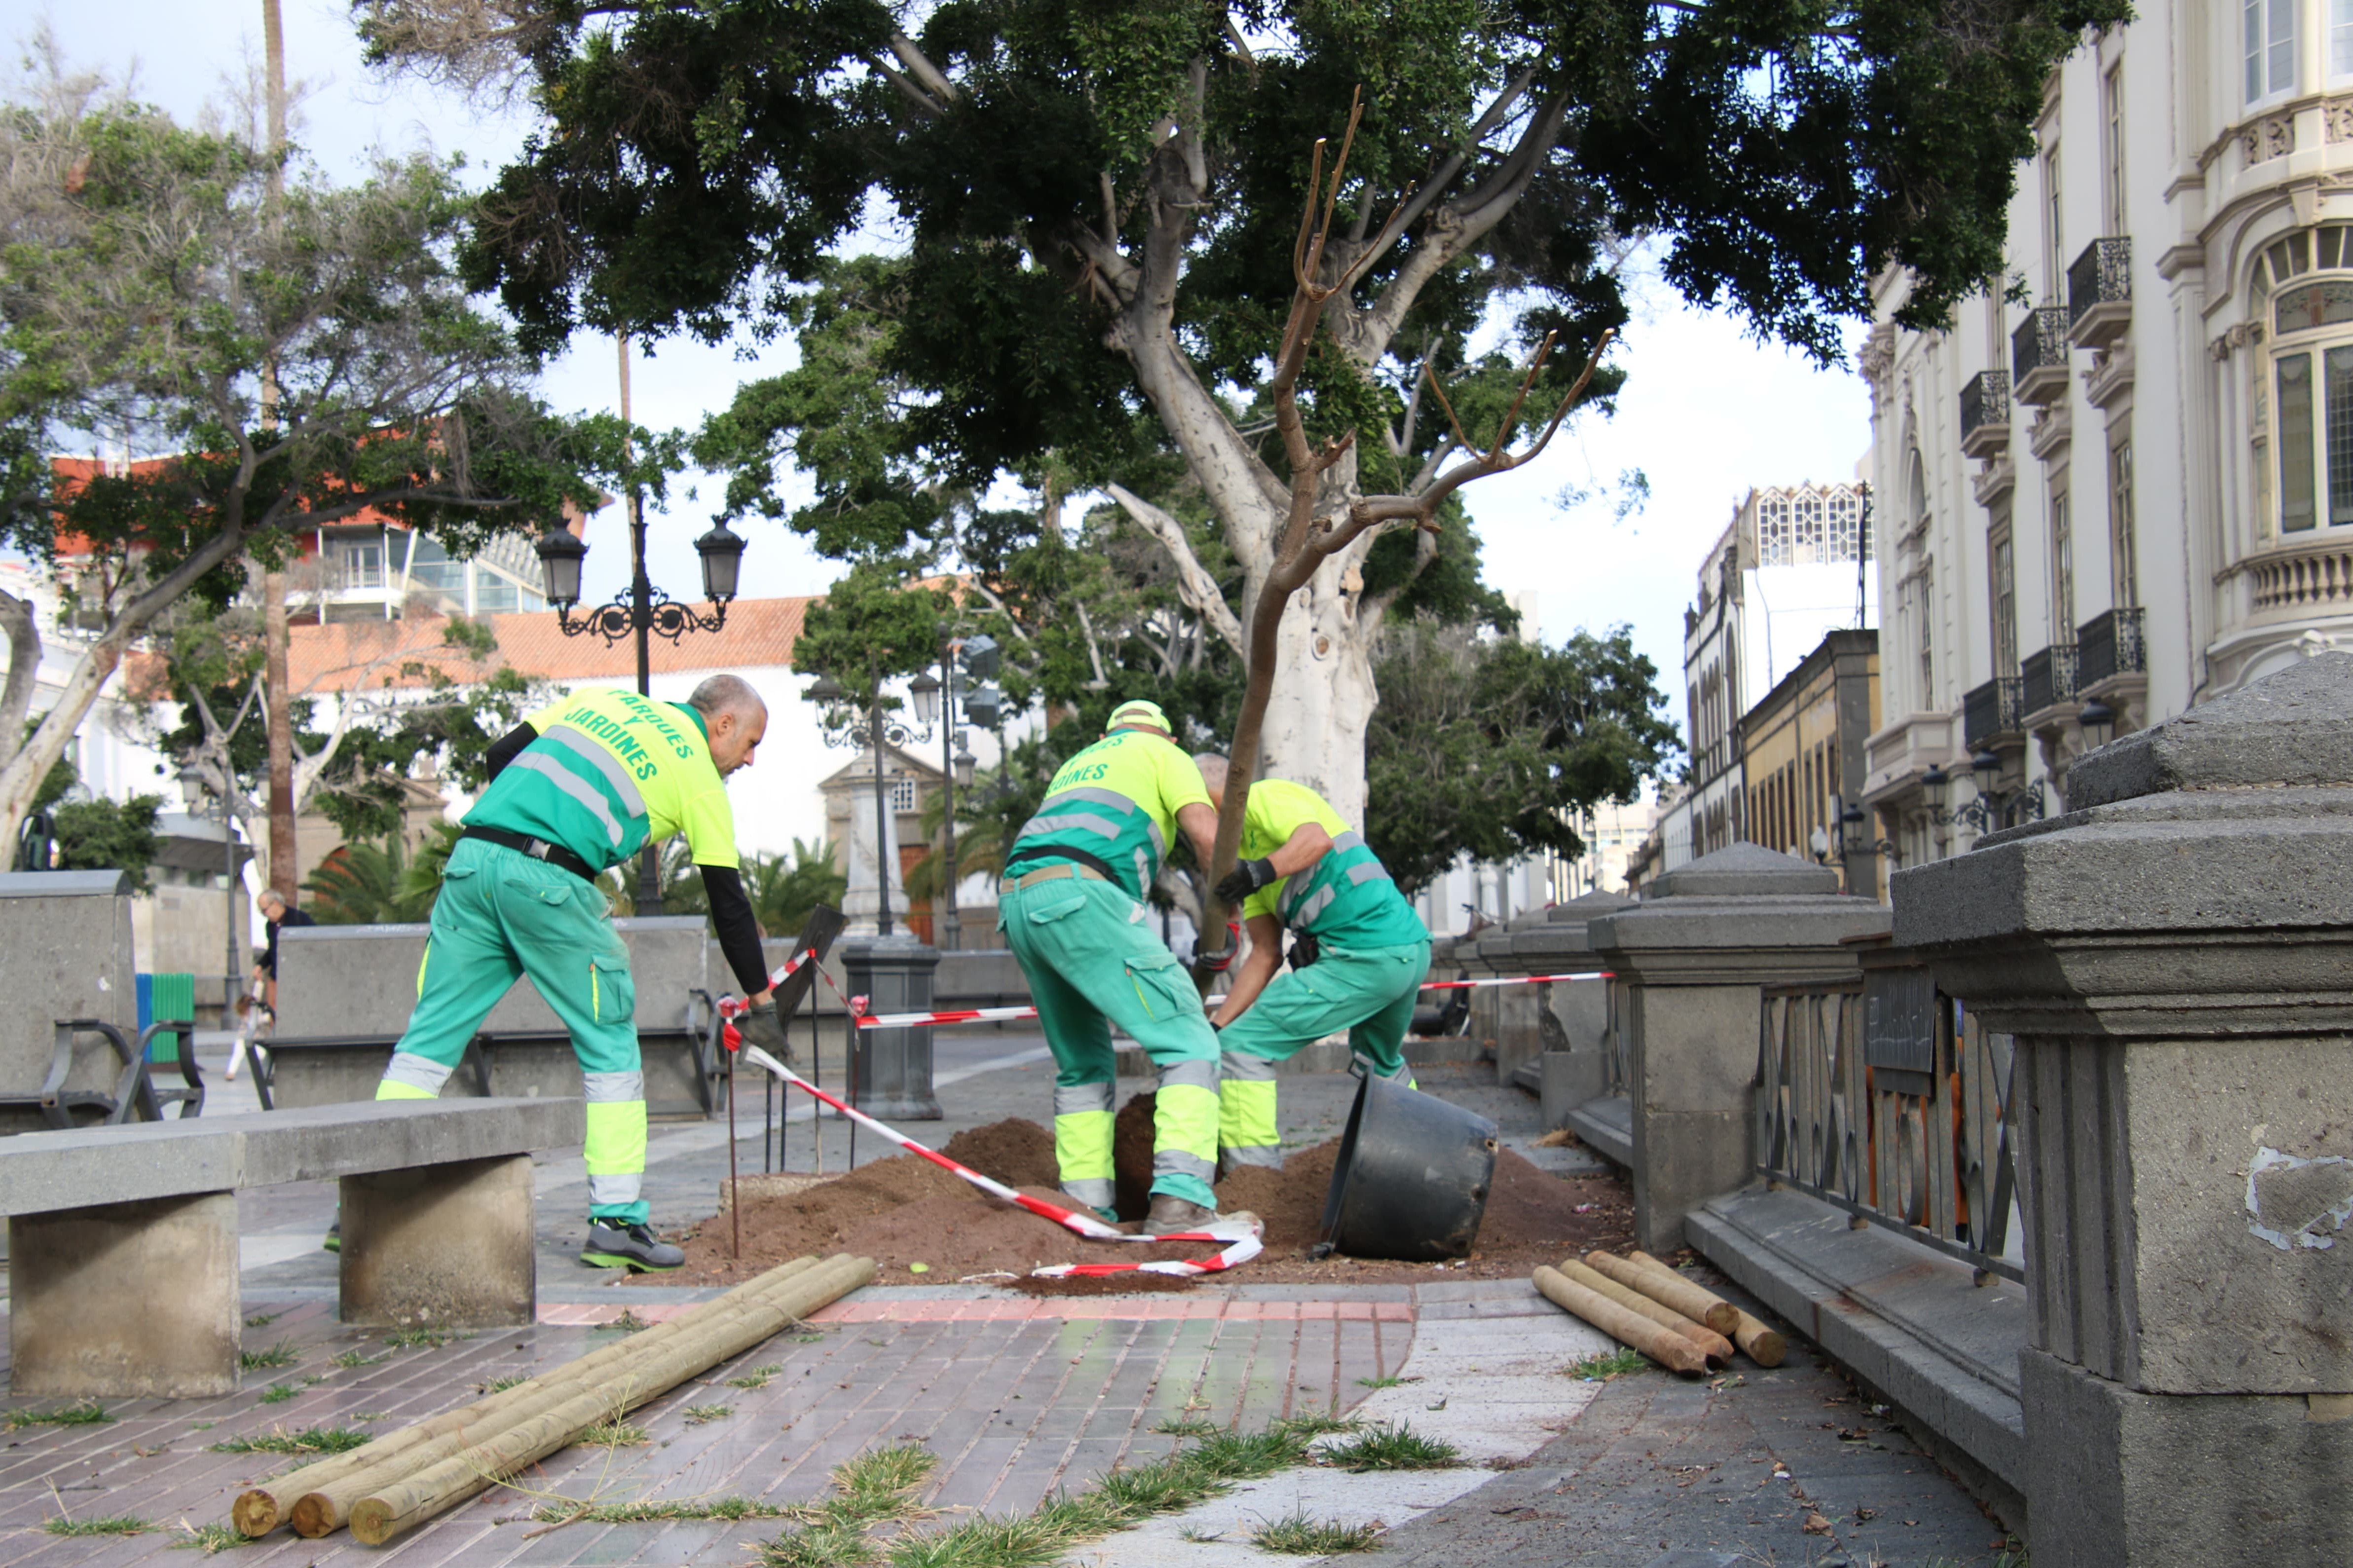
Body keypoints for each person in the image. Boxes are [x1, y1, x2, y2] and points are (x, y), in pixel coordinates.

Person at [369, 674, 795, 1271]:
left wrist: (526, 825)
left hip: (472, 862)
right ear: (722, 724)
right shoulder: (699, 777)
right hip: (549, 882)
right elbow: (728, 902)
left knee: (429, 1037)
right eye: (750, 743)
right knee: (609, 1040)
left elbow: (499, 754)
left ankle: (369, 1204)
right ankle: (616, 1222)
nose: (749, 760)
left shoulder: (604, 700)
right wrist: (761, 1000)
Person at [999, 700, 1243, 1235]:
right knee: (1190, 1042)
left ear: (1105, 736)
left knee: (1082, 1065)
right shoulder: (1163, 754)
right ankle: (1181, 1202)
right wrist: (1232, 919)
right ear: (1170, 738)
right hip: (1081, 896)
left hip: (1019, 903)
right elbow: (1209, 838)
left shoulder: (1078, 764)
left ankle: (1085, 1211)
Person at [1194, 756, 1432, 1172]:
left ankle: (1255, 1181)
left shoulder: (1263, 796)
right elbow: (1265, 954)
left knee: (1241, 1048)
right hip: (1405, 952)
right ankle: (1427, 1161)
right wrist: (1216, 1026)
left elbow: (1315, 840)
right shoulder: (1245, 863)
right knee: (1377, 1063)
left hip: (1366, 958)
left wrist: (1259, 873)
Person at [252, 888, 315, 1014]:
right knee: (272, 1011)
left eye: (265, 910)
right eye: (261, 911)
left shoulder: (299, 919)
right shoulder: (270, 926)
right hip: (277, 975)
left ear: (276, 904)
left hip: (298, 975)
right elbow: (273, 949)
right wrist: (260, 965)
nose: (264, 914)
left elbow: (315, 943)